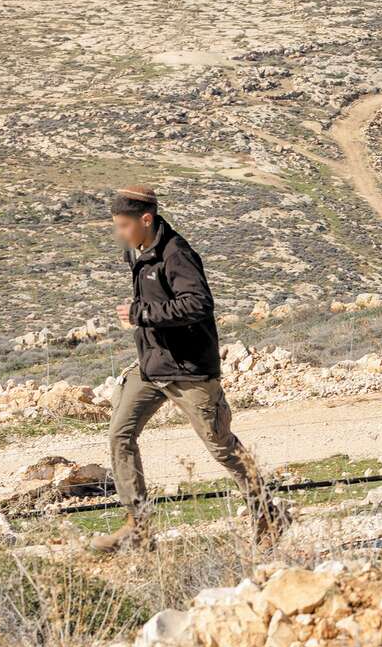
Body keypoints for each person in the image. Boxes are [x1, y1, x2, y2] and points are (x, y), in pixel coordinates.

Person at [94, 185, 281, 553]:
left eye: (123, 225)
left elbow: (197, 304)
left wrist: (142, 315)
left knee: (221, 447)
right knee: (120, 434)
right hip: (153, 366)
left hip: (189, 370)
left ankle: (268, 514)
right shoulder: (137, 252)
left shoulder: (176, 253)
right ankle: (139, 526)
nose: (119, 233)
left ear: (145, 220)